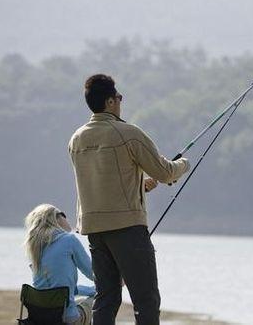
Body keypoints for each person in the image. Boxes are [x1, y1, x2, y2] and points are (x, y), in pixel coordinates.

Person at [68, 74, 190, 325]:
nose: (120, 102)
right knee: (145, 299)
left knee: (106, 298)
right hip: (128, 231)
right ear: (111, 101)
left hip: (95, 231)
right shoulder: (128, 133)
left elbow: (102, 181)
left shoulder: (76, 139)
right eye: (119, 97)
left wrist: (140, 185)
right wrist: (184, 164)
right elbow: (166, 172)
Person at [24, 204, 95, 325]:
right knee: (99, 301)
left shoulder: (34, 248)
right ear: (55, 218)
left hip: (40, 318)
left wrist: (92, 290)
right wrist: (115, 280)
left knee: (88, 296)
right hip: (68, 319)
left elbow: (58, 289)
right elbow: (94, 274)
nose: (66, 218)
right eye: (63, 214)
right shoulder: (69, 240)